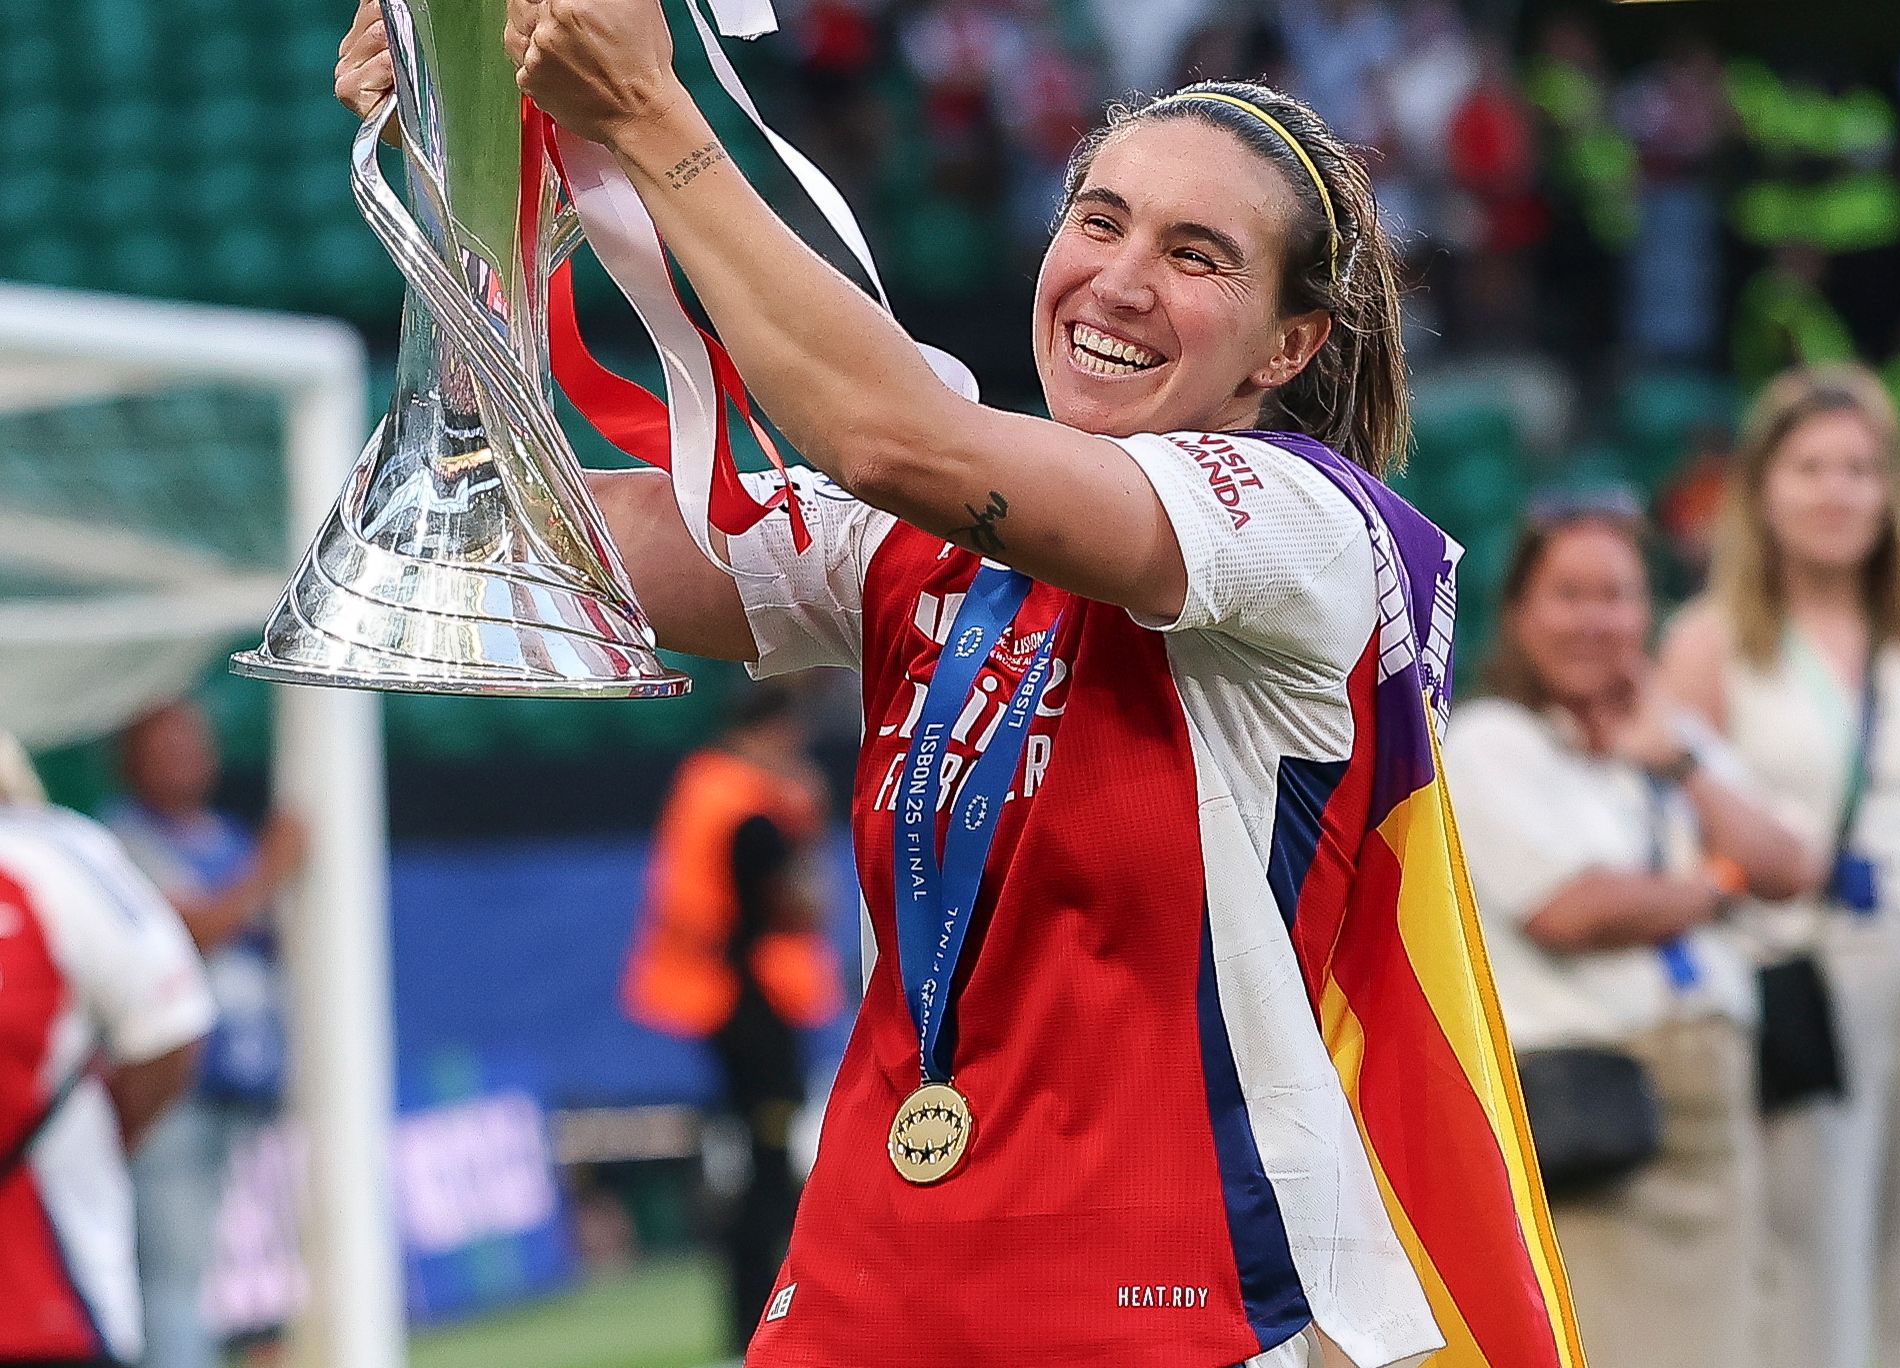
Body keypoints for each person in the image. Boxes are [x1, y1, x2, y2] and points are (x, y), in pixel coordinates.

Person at [337, 4, 1579, 1366]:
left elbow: (888, 437)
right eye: (1098, 221)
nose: (1119, 277)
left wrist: (649, 116)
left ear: (1287, 349)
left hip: (1170, 1317)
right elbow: (511, 535)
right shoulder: (919, 552)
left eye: (1198, 254)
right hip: (862, 1298)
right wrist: (489, 173)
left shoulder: (1309, 534)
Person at [1659, 363, 1900, 1368]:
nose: (1835, 492)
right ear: (1759, 488)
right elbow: (1683, 838)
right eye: (1808, 468)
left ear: (1891, 489)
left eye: (1858, 469)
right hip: (1798, 976)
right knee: (1805, 1264)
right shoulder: (1710, 643)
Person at [1443, 499, 1816, 1368]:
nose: (1595, 620)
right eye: (1568, 594)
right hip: (1596, 1110)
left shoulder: (1668, 739)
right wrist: (1718, 886)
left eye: (1617, 595)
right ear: (1519, 613)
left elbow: (1792, 864)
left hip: (1717, 1099)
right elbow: (1573, 912)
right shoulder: (1492, 743)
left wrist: (1680, 764)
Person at [622, 683, 840, 1355]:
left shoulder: (704, 789)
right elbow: (803, 907)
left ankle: (748, 1320)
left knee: (756, 1160)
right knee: (768, 1169)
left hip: (721, 1001)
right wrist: (809, 820)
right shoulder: (754, 811)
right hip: (753, 1007)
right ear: (771, 732)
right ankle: (755, 1321)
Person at [0, 729, 217, 1368]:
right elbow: (171, 1020)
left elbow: (169, 1022)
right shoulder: (53, 855)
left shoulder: (44, 858)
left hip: (48, 1290)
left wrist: (82, 1140)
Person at [101, 703, 302, 1368]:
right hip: (175, 1091)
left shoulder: (226, 837)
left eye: (194, 743)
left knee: (258, 1286)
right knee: (174, 1280)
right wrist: (272, 869)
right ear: (132, 761)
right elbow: (191, 931)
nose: (187, 758)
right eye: (167, 747)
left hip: (251, 1083)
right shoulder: (123, 842)